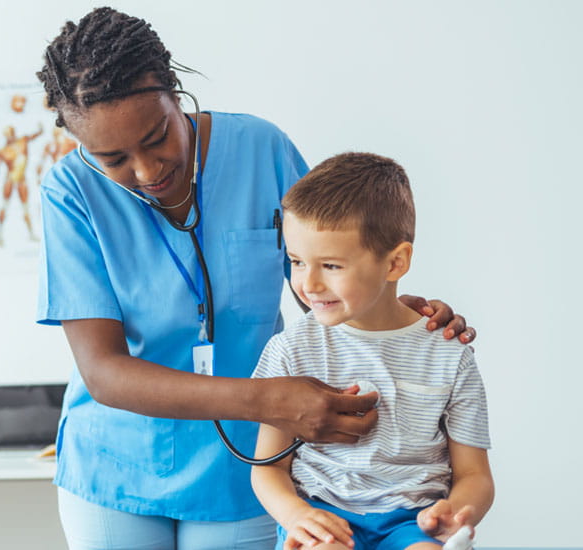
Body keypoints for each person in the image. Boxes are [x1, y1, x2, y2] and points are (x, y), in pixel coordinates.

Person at [35, 7, 476, 550]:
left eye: (157, 137)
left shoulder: (262, 150)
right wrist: (265, 400)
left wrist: (394, 312)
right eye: (113, 158)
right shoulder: (69, 192)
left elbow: (329, 268)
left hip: (252, 462)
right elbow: (104, 372)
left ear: (176, 93)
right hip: (118, 467)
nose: (147, 171)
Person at [251, 152, 494, 550]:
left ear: (395, 262)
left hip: (413, 522)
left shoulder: (450, 355)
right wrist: (297, 517)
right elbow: (269, 469)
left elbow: (475, 475)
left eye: (330, 265)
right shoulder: (289, 350)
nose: (307, 283)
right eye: (296, 261)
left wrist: (456, 510)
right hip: (323, 514)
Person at [0, 123, 43, 246]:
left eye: (11, 133)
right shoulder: (3, 151)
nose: (10, 136)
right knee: (5, 206)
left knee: (25, 207)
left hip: (21, 180)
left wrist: (41, 129)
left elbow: (34, 136)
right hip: (10, 179)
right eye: (8, 134)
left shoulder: (22, 141)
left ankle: (31, 234)